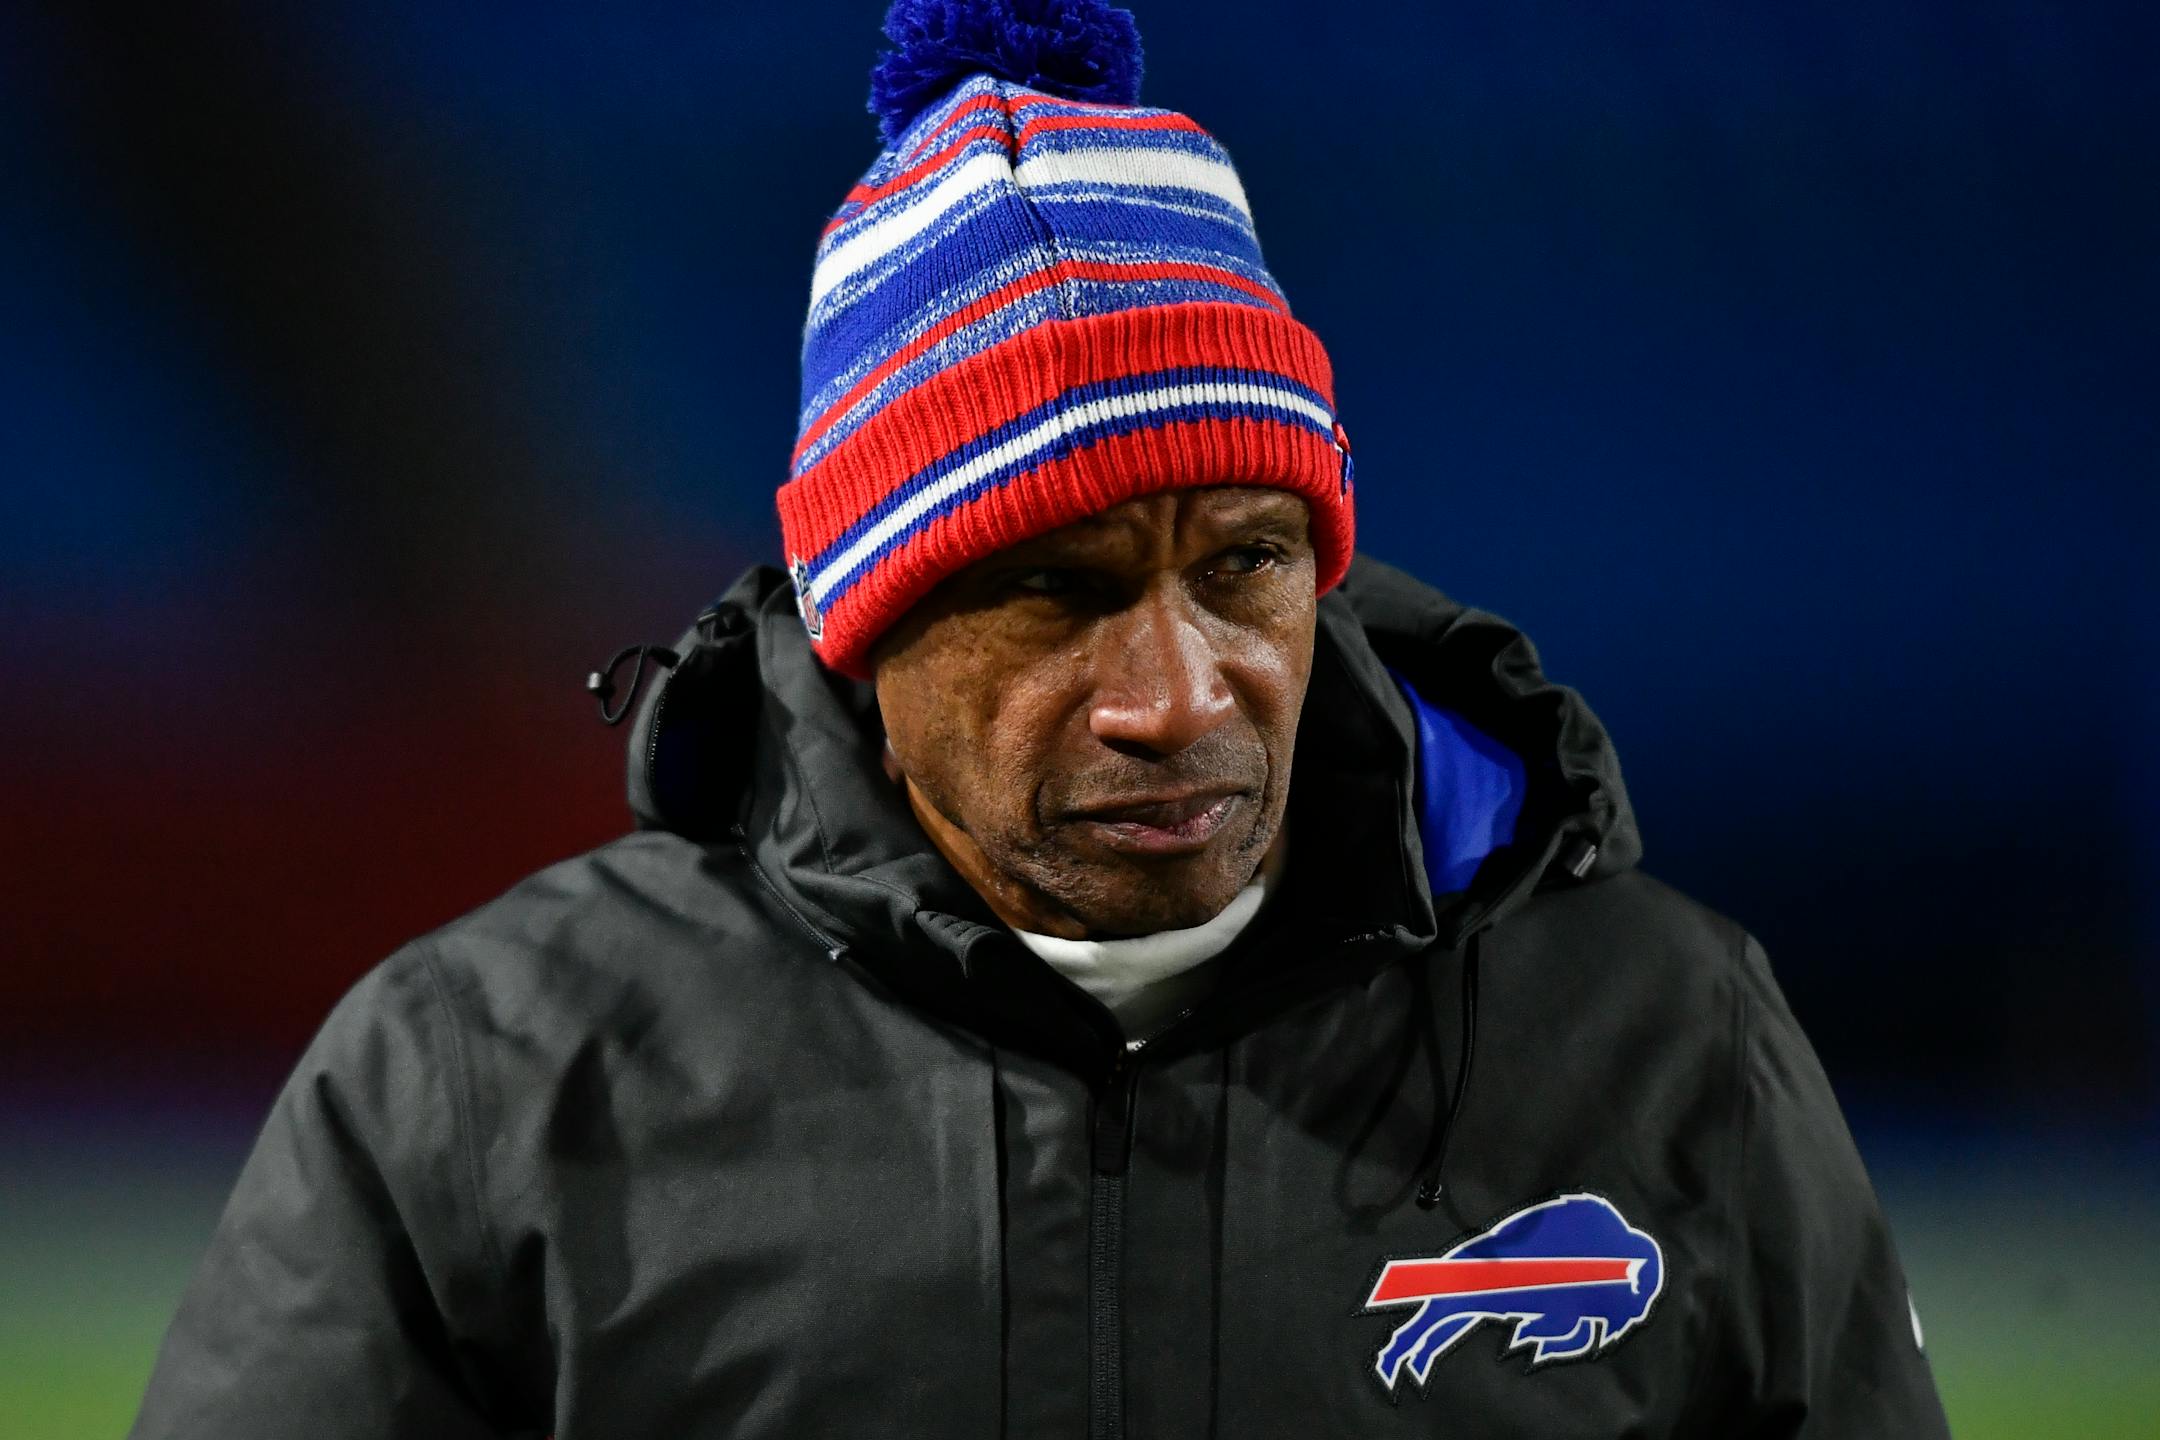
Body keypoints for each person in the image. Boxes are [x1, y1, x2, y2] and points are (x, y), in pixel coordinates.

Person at [130, 2, 1951, 1435]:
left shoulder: (1665, 1042)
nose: (1176, 699)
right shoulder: (484, 1084)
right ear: (858, 619)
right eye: (1056, 593)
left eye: (1245, 567)